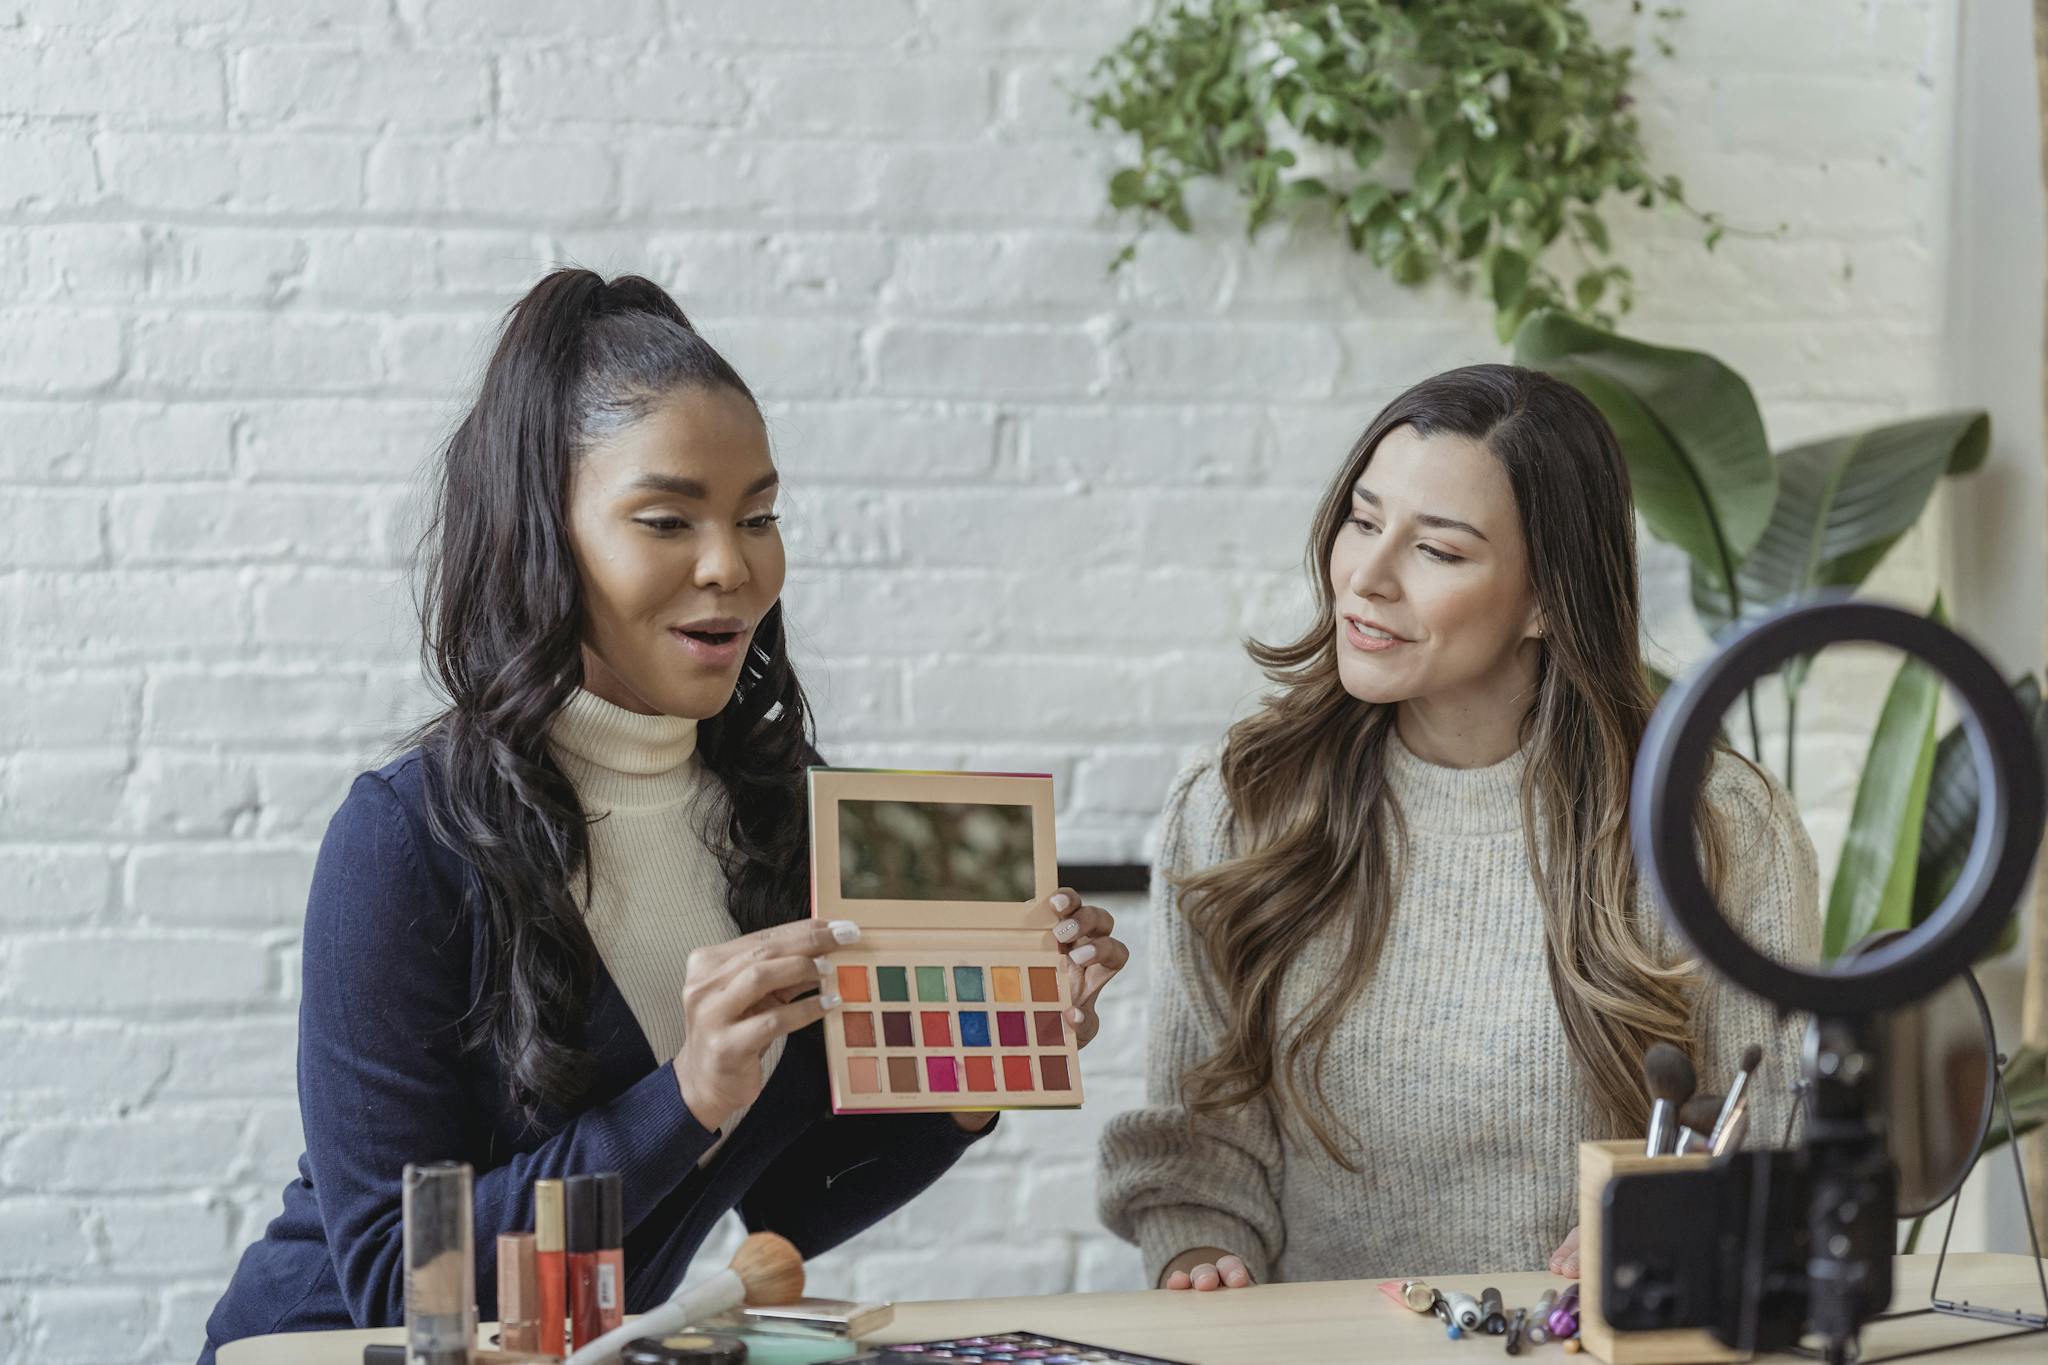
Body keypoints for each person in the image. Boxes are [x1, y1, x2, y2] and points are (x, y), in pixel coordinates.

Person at [200, 270, 1129, 1360]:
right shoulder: (406, 839)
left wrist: (983, 1063)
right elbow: (396, 1273)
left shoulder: (782, 816)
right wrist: (685, 1093)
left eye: (758, 517)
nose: (730, 564)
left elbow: (795, 1201)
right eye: (665, 519)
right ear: (545, 534)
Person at [1097, 364, 1818, 1292]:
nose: (1367, 575)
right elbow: (1204, 1146)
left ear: (1546, 599)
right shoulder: (1238, 803)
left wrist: (1673, 1222)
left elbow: (1771, 1136)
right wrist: (1200, 1256)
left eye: (1437, 551)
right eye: (1363, 520)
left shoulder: (1712, 821)